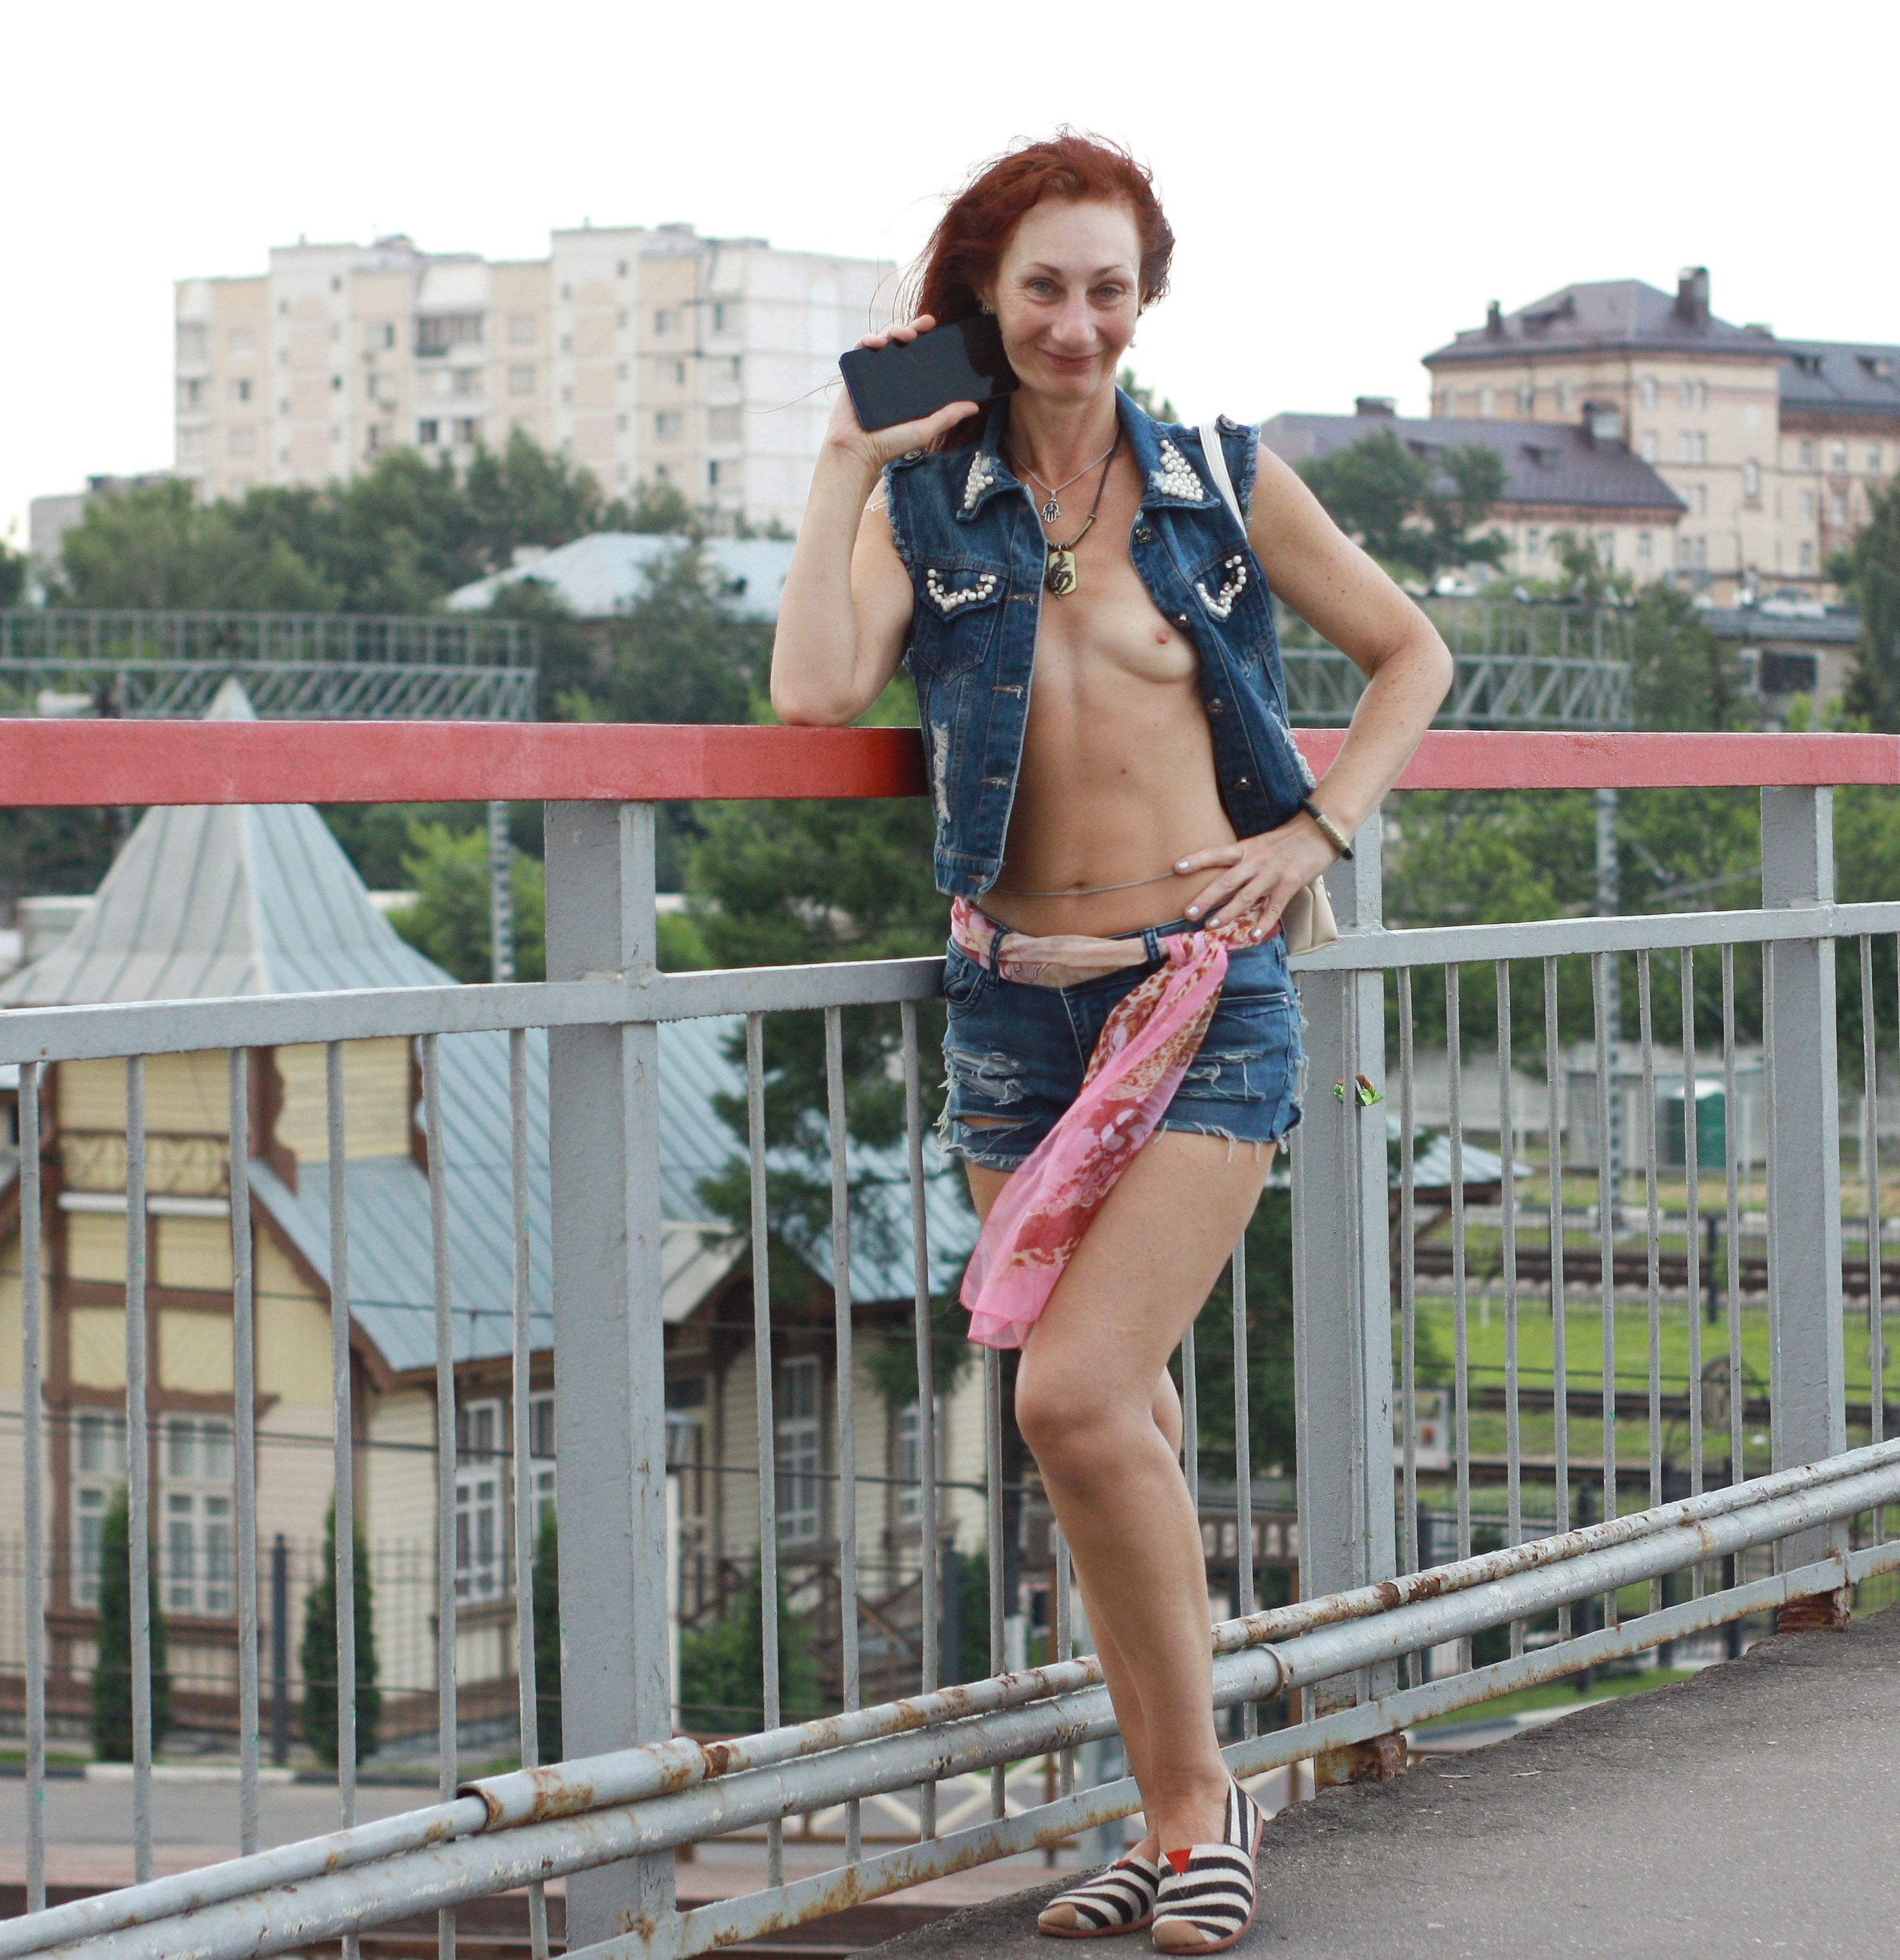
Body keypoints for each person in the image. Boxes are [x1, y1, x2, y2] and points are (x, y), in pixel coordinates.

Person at [770, 131, 1451, 1953]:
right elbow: (815, 689)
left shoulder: (1220, 479)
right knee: (1115, 1426)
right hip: (1014, 1011)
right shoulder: (932, 505)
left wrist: (1315, 832)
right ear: (985, 300)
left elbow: (1412, 656)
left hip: (1200, 997)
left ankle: (1198, 1805)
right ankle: (1166, 1824)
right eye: (1044, 289)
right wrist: (846, 457)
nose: (1076, 325)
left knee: (1068, 1400)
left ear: (1146, 300)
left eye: (1108, 289)